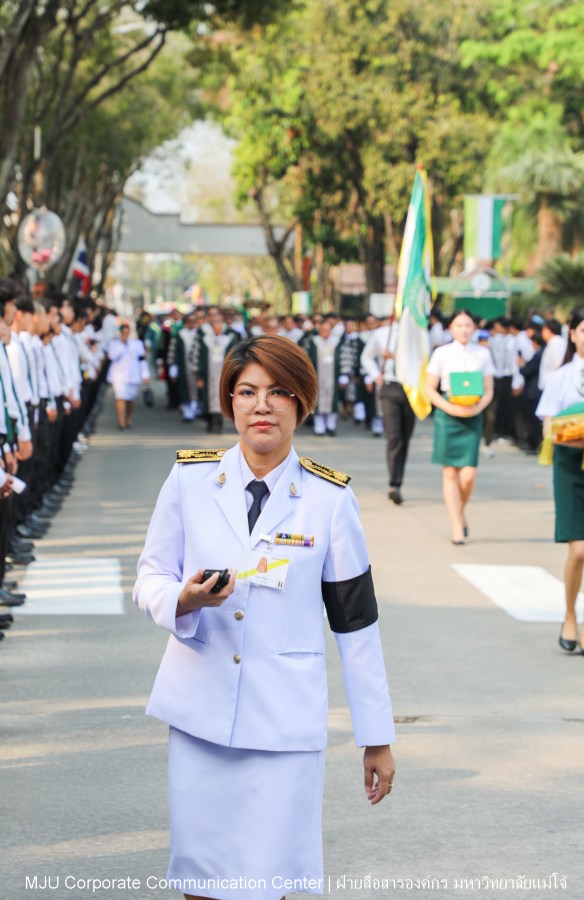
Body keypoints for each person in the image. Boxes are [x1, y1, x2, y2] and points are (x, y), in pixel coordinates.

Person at [134, 334, 396, 900]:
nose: (261, 405)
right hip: (200, 715)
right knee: (200, 882)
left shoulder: (330, 499)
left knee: (266, 883)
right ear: (228, 400)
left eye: (278, 392)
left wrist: (375, 737)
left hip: (283, 724)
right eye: (247, 391)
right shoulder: (190, 480)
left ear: (302, 402)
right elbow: (149, 577)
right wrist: (184, 599)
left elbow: (356, 623)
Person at [536, 305, 584, 659]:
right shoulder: (563, 377)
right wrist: (580, 433)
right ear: (572, 334)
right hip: (572, 465)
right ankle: (569, 616)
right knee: (579, 549)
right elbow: (548, 425)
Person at [425, 309, 494, 544]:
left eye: (468, 325)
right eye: (459, 325)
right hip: (449, 415)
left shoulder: (483, 353)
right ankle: (456, 523)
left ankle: (459, 512)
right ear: (450, 328)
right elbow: (430, 388)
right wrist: (448, 408)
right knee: (450, 471)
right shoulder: (441, 353)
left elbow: (489, 388)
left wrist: (479, 407)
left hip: (473, 414)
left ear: (474, 327)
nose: (464, 329)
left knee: (468, 474)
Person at [361, 317, 415, 504]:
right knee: (394, 437)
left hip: (412, 388)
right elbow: (366, 356)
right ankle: (394, 483)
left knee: (405, 437)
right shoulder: (383, 333)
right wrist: (376, 375)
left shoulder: (417, 334)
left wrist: (395, 356)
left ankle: (399, 479)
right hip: (390, 387)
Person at [107, 323, 150, 429]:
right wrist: (122, 345)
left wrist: (145, 374)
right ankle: (121, 421)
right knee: (120, 397)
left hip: (133, 374)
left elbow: (142, 360)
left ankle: (128, 417)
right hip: (118, 376)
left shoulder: (137, 344)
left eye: (127, 332)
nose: (125, 334)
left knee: (130, 399)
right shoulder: (114, 344)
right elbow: (112, 357)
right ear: (120, 333)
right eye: (123, 332)